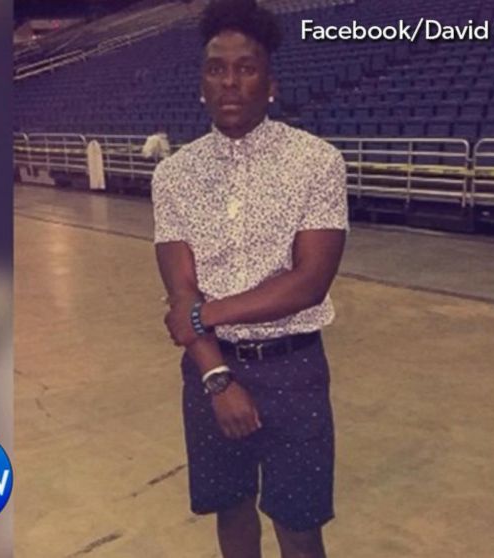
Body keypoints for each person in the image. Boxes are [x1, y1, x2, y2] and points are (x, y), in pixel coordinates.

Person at [151, 1, 348, 557]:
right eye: (216, 68)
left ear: (271, 84)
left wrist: (203, 315)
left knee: (300, 525)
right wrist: (217, 377)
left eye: (246, 67)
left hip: (295, 369)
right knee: (232, 510)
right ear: (202, 84)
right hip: (209, 365)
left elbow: (308, 282)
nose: (230, 82)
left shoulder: (316, 162)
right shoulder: (173, 176)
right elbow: (180, 290)